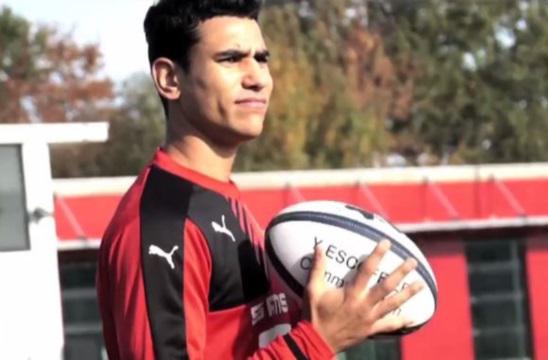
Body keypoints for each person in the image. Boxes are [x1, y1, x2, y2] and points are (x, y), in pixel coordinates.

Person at [96, 0, 424, 358]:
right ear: (170, 79)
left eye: (262, 58)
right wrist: (317, 341)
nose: (257, 79)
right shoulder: (163, 226)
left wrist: (340, 315)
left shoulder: (221, 199)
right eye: (231, 59)